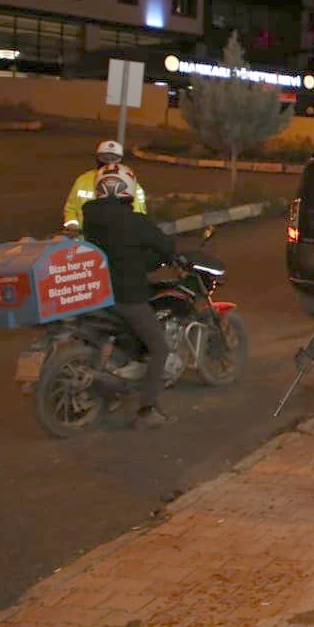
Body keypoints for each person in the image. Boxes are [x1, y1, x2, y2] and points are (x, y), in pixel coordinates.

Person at [80, 163, 178, 429]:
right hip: (127, 296)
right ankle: (147, 410)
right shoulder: (135, 221)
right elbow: (166, 246)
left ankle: (119, 386)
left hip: (97, 294)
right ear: (128, 189)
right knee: (160, 348)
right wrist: (162, 258)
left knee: (135, 339)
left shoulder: (90, 217)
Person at [63, 140, 147, 234]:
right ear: (97, 158)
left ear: (121, 160)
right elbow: (70, 209)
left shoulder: (132, 185)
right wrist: (72, 225)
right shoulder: (83, 180)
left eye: (113, 158)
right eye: (105, 157)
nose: (109, 161)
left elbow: (138, 216)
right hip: (83, 241)